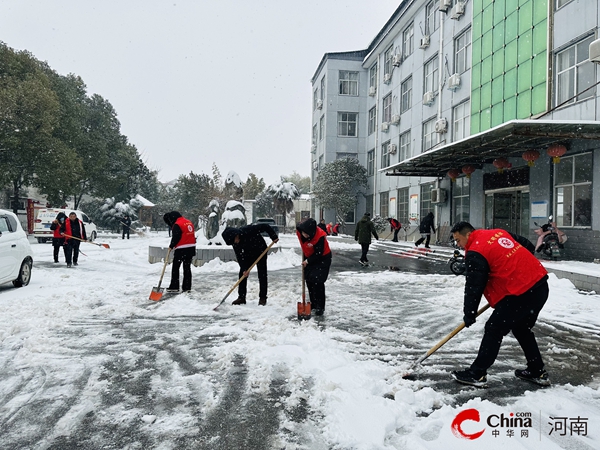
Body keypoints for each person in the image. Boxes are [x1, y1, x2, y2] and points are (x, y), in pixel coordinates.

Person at [450, 221, 550, 387]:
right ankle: (537, 370)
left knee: (494, 329)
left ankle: (477, 373)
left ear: (468, 234)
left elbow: (474, 286)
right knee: (521, 328)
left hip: (521, 293)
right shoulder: (497, 233)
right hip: (539, 286)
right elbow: (528, 245)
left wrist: (469, 313)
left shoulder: (476, 251)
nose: (458, 245)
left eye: (458, 240)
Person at [222, 223, 279, 306]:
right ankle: (241, 297)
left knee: (262, 274)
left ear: (235, 235)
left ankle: (262, 298)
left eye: (235, 240)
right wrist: (244, 268)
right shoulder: (235, 243)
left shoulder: (248, 229)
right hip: (248, 255)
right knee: (242, 274)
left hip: (260, 251)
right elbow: (239, 257)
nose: (236, 242)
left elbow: (265, 226)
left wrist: (273, 236)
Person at [296, 218, 332, 316]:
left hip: (323, 258)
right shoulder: (300, 231)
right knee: (309, 280)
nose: (305, 235)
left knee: (318, 281)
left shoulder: (319, 236)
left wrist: (307, 261)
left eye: (308, 234)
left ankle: (320, 307)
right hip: (309, 256)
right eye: (304, 233)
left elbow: (318, 253)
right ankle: (313, 304)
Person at [163, 211, 196, 292]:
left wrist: (171, 246)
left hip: (182, 248)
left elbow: (176, 237)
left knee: (175, 267)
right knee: (187, 268)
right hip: (191, 247)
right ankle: (187, 287)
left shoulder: (177, 224)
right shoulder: (188, 222)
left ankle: (174, 286)